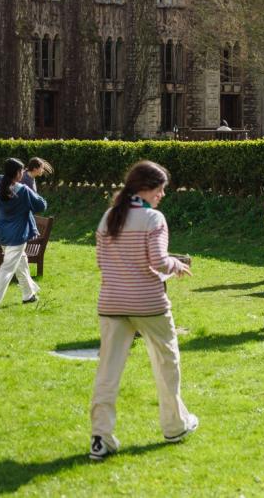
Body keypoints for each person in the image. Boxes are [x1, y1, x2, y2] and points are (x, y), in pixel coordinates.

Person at [89, 161, 198, 462]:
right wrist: (179, 266)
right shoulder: (153, 218)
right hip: (149, 304)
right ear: (146, 188)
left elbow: (101, 262)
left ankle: (100, 437)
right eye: (161, 188)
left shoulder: (109, 217)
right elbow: (160, 260)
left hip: (111, 303)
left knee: (108, 371)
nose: (163, 194)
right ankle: (175, 425)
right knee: (167, 363)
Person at [0, 158, 47, 312]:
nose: (23, 173)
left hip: (3, 234)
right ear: (17, 173)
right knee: (8, 268)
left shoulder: (0, 186)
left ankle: (28, 295)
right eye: (21, 170)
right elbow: (42, 205)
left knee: (21, 263)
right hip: (17, 236)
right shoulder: (23, 190)